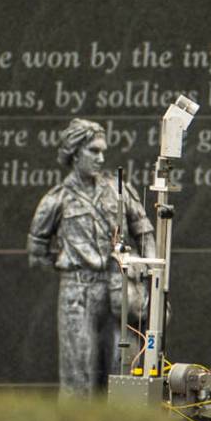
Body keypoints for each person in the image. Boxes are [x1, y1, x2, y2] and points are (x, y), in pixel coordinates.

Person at [27, 118, 155, 396]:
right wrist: (71, 268)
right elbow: (37, 251)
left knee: (124, 371)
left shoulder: (117, 189)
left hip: (119, 289)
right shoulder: (56, 200)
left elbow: (144, 231)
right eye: (93, 151)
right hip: (78, 293)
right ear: (75, 153)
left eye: (102, 151)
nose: (101, 158)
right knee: (78, 376)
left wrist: (148, 274)